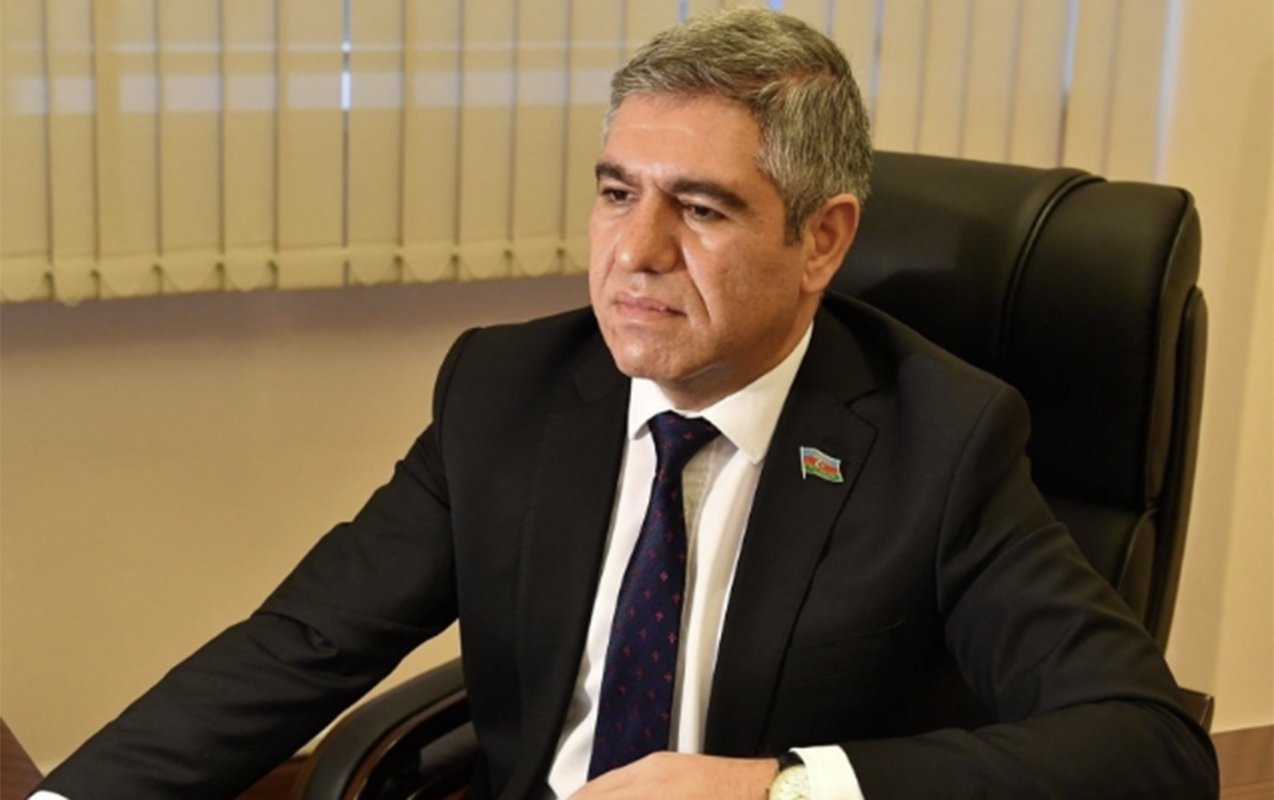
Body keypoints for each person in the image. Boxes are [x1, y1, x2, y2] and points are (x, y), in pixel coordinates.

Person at [32, 8, 1216, 800]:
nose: (633, 253)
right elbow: (297, 645)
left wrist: (778, 787)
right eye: (614, 192)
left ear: (821, 239)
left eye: (698, 208)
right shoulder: (505, 390)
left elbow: (1145, 739)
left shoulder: (940, 439)